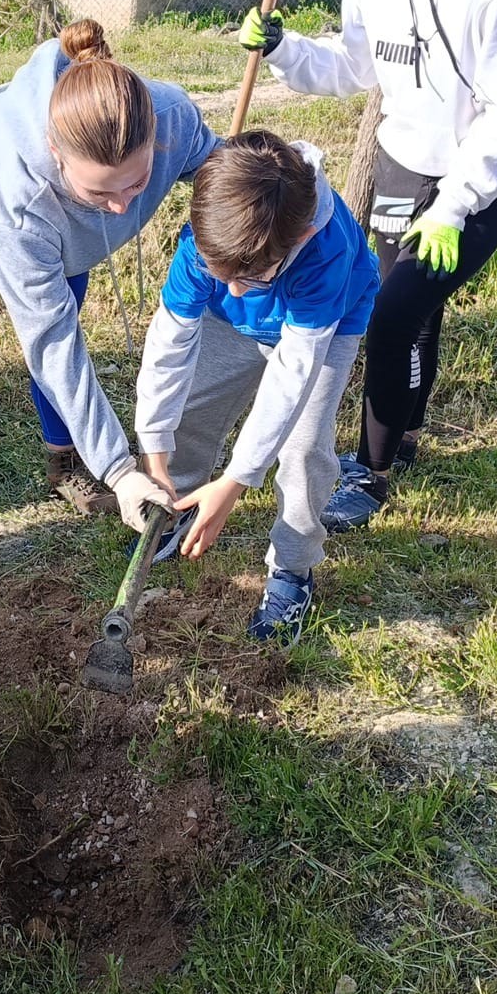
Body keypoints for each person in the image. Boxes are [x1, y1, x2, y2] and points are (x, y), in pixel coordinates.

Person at [239, 0, 497, 531]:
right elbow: (350, 69)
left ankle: (369, 476)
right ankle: (403, 434)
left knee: (391, 314)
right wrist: (285, 49)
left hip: (481, 177)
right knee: (415, 311)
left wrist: (454, 207)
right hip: (404, 160)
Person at [0, 18, 217, 599]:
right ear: (55, 152)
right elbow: (53, 345)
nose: (122, 206)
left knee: (62, 335)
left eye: (138, 181)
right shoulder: (21, 197)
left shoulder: (170, 116)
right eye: (101, 193)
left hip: (58, 225)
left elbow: (225, 176)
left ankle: (66, 464)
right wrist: (123, 469)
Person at [134, 130, 378, 644]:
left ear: (302, 238)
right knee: (195, 407)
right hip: (232, 325)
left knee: (304, 447)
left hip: (326, 327)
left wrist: (238, 481)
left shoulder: (324, 252)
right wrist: (154, 446)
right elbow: (169, 346)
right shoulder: (206, 248)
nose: (238, 289)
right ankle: (178, 505)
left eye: (254, 277)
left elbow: (292, 376)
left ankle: (293, 567)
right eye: (224, 275)